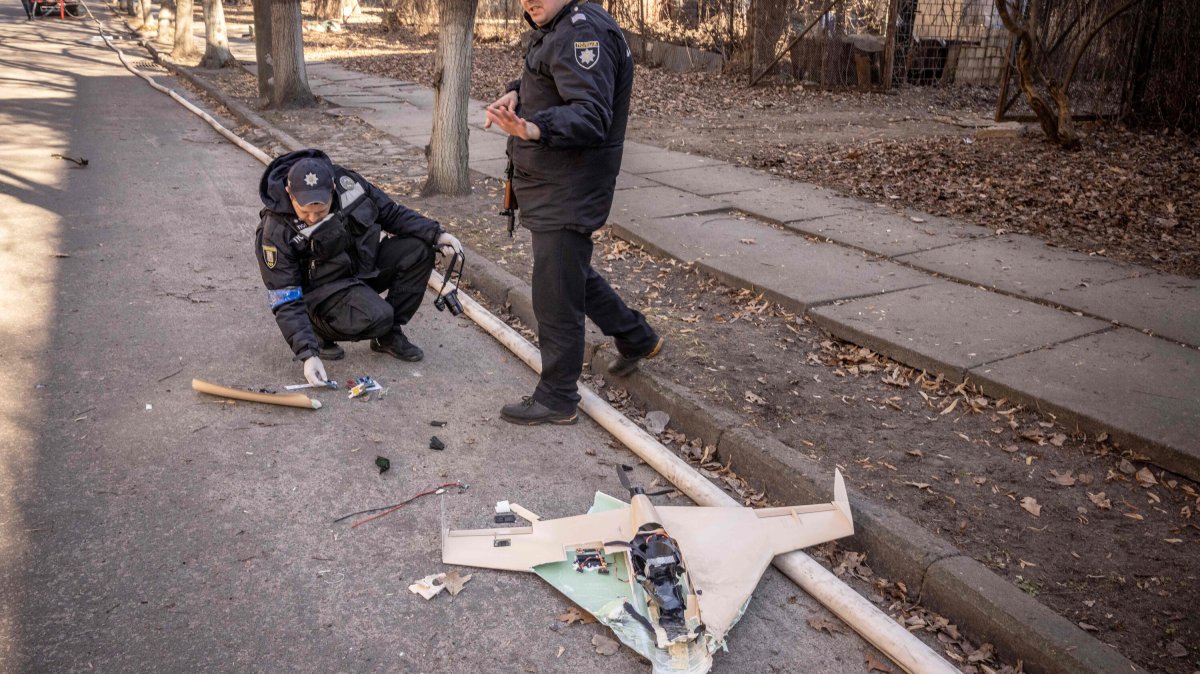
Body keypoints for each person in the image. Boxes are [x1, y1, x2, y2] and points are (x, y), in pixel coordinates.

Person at [485, 0, 663, 426]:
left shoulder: (583, 32)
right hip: (555, 182)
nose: (530, 0)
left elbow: (591, 114)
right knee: (567, 274)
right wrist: (515, 90)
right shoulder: (561, 25)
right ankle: (636, 337)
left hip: (568, 184)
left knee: (555, 295)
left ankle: (558, 396)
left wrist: (532, 127)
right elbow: (554, 78)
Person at [254, 149, 462, 386]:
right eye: (305, 212)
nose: (313, 218)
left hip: (361, 270)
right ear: (289, 193)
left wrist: (436, 234)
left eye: (320, 211)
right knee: (379, 315)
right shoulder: (275, 230)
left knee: (418, 249)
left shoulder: (348, 184)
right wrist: (307, 354)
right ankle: (316, 330)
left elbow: (390, 212)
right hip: (324, 292)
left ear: (332, 187)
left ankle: (388, 336)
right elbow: (285, 296)